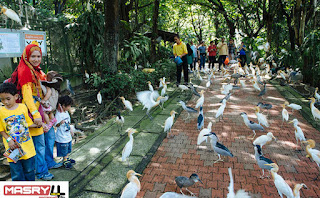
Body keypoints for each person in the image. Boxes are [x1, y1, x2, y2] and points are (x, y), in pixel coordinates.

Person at [13, 42, 55, 180]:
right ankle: (41, 172)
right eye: (33, 56)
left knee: (42, 142)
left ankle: (44, 167)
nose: (36, 59)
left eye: (38, 56)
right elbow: (27, 96)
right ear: (26, 57)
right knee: (38, 145)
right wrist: (36, 115)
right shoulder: (25, 71)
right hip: (31, 114)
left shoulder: (35, 70)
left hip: (38, 111)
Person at [0, 83, 37, 181]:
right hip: (12, 148)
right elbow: (1, 130)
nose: (5, 102)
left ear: (16, 96)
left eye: (8, 98)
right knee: (16, 173)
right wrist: (9, 140)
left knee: (29, 170)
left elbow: (27, 123)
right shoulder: (1, 111)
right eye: (2, 99)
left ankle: (30, 191)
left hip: (27, 146)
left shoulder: (22, 107)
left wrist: (39, 124)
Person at [40, 71, 64, 170]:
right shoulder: (44, 88)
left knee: (50, 140)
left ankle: (49, 162)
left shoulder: (56, 90)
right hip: (41, 118)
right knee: (42, 144)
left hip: (50, 116)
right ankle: (43, 164)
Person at [55, 95, 75, 169]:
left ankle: (67, 158)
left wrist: (71, 130)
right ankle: (65, 160)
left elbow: (68, 122)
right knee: (64, 149)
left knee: (68, 148)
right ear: (63, 106)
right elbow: (55, 125)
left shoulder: (66, 112)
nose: (69, 107)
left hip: (67, 135)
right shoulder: (58, 114)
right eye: (68, 106)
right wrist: (60, 123)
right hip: (61, 136)